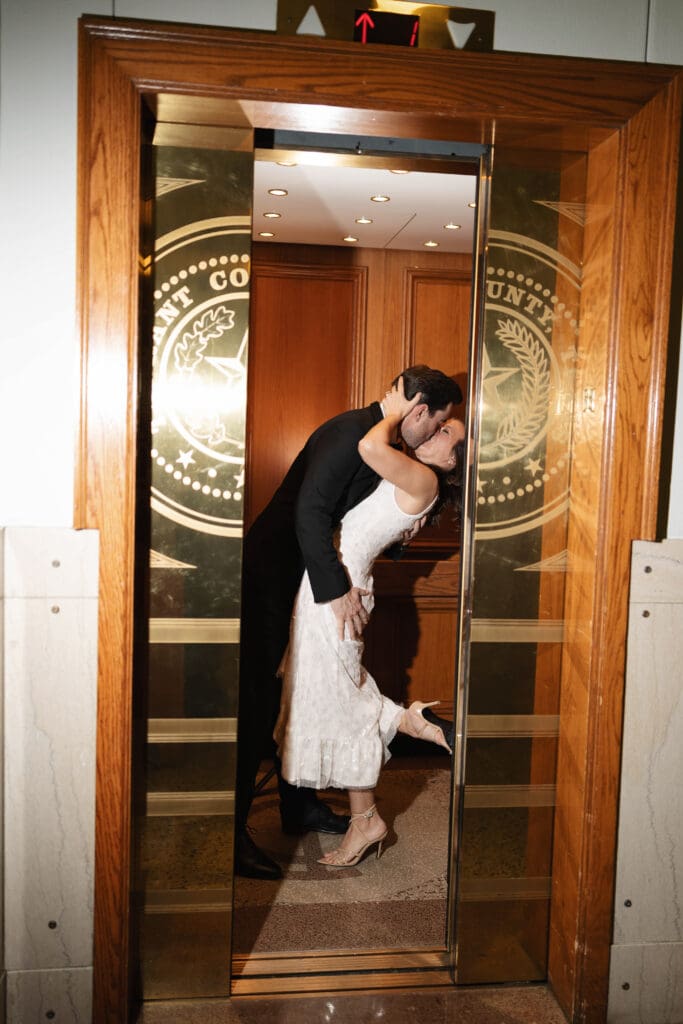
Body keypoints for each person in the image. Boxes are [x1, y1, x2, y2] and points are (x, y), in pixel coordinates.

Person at [235, 365, 462, 879]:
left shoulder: (390, 450)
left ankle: (311, 804)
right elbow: (310, 515)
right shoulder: (351, 434)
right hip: (284, 578)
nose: (433, 434)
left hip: (322, 582)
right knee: (269, 701)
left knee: (313, 694)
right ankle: (236, 833)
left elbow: (360, 515)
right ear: (420, 410)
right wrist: (335, 587)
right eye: (439, 424)